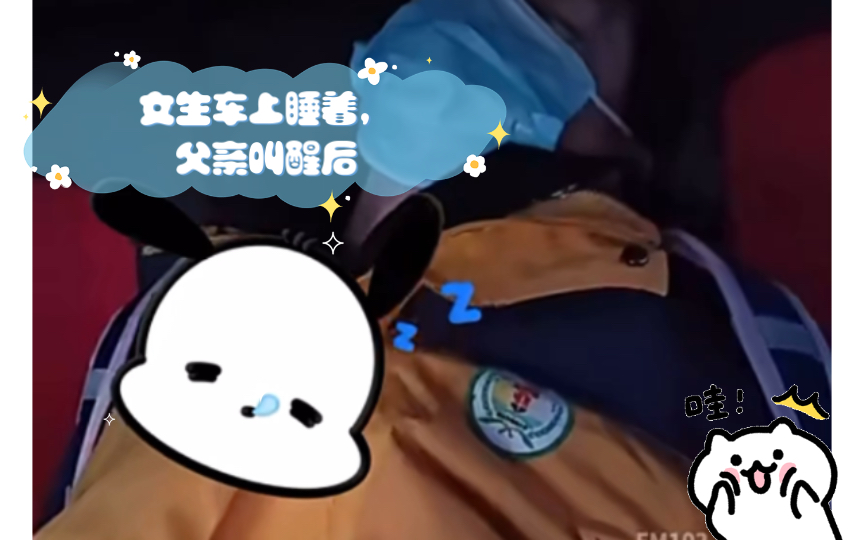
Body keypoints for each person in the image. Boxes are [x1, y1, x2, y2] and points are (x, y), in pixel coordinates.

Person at [34, 0, 830, 538]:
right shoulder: (200, 298)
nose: (459, 21)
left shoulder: (703, 338)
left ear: (627, 139)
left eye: (555, 21)